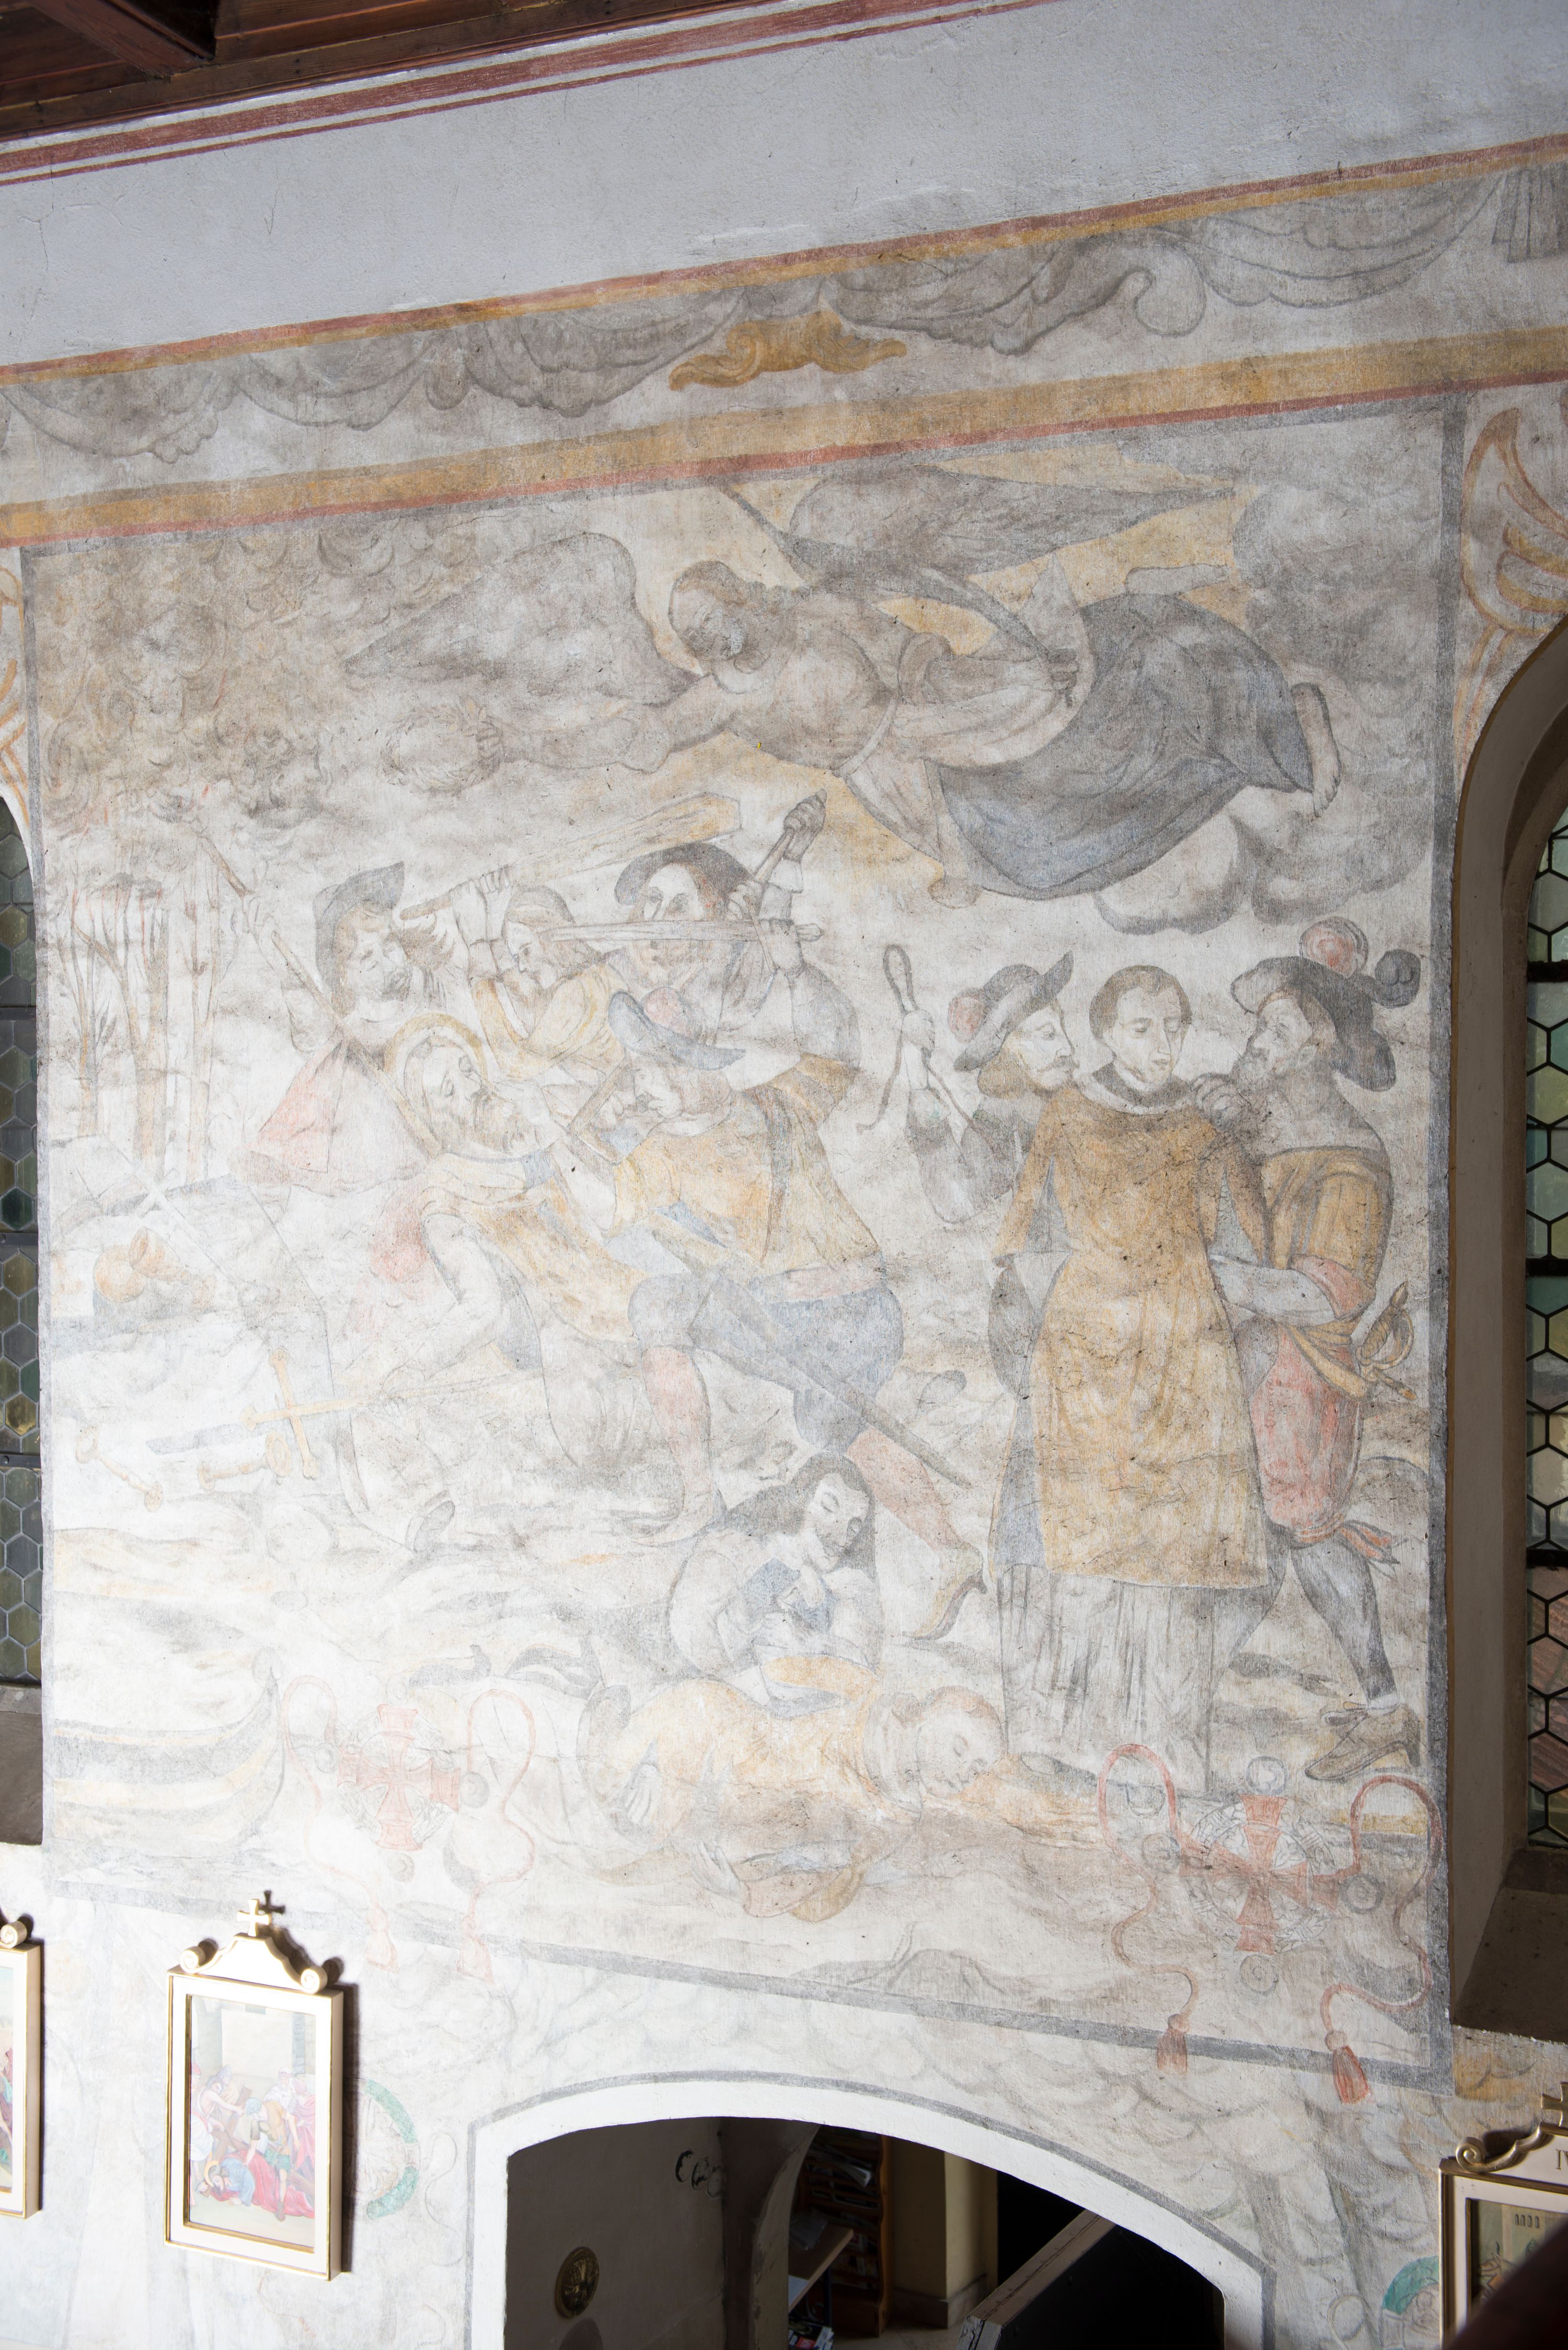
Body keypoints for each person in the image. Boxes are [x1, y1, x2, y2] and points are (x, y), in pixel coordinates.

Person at [593, 988, 982, 1619]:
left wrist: (799, 973)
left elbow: (839, 1058)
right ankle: (700, 1497)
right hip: (772, 1322)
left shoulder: (780, 1104)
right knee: (657, 1305)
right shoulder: (652, 1156)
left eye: (653, 1069)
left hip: (855, 1314)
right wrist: (603, 1140)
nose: (640, 1088)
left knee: (834, 1422)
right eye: (634, 1071)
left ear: (694, 1063)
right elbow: (618, 1229)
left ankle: (949, 1546)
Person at [989, 964, 1269, 1792]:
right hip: (1083, 1347)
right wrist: (1035, 1357)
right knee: (1073, 1535)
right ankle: (1061, 1739)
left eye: (1174, 1025)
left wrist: (1242, 1138)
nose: (1162, 1042)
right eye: (1143, 1026)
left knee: (1175, 1548)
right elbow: (1030, 1240)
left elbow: (1247, 1243)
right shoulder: (1068, 1113)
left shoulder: (1206, 1125)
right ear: (1107, 1033)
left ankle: (1161, 1752)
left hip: (1183, 1348)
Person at [1194, 919, 1422, 1781]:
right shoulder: (1269, 1138)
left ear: (1319, 1049)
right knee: (1267, 1540)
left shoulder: (1348, 1164)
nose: (1258, 1043)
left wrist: (1217, 1275)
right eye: (1261, 1027)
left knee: (1301, 1537)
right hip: (1252, 1367)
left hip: (1302, 1381)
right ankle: (1374, 1704)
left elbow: (1325, 1292)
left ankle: (1384, 1709)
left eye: (1277, 1030)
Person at [586, 1657, 1004, 1921]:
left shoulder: (894, 1819)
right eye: (959, 1747)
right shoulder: (867, 1694)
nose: (964, 1773)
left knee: (657, 1832)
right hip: (744, 1739)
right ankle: (624, 1750)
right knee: (693, 1703)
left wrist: (741, 1892)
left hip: (749, 1823)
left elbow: (825, 1881)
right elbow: (777, 1674)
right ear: (924, 1714)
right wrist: (654, 1762)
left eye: (976, 1770)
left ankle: (629, 1766)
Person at [244, 864, 451, 1194]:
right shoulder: (350, 1033)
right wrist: (285, 973)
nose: (387, 962)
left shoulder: (432, 992)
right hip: (378, 1175)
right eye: (367, 957)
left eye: (390, 944)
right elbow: (313, 1036)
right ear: (345, 977)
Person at [668, 1453, 881, 1711]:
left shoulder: (828, 1586)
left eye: (854, 1526)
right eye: (828, 1507)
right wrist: (749, 1691)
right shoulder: (735, 1549)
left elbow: (859, 1663)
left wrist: (814, 1642)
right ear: (800, 1497)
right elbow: (689, 1623)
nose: (842, 1535)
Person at [901, 953, 1076, 1227]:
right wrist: (917, 1078)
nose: (1068, 1049)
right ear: (1007, 1050)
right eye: (1048, 1035)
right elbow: (958, 1200)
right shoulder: (1002, 1120)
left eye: (1062, 1029)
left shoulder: (1082, 1100)